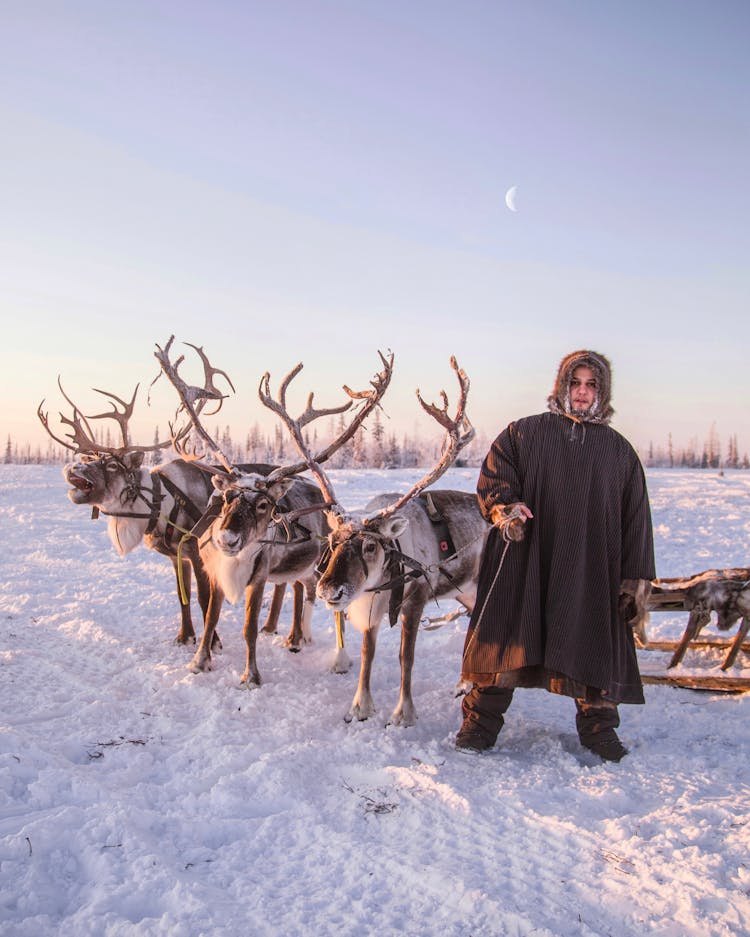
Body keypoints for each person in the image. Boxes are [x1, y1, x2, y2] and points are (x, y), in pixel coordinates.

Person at [456, 350, 655, 762]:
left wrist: (635, 580)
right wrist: (506, 509)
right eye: (575, 383)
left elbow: (637, 519)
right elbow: (494, 479)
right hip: (527, 560)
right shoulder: (523, 434)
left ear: (602, 392)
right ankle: (479, 726)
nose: (581, 393)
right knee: (506, 640)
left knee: (593, 641)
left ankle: (600, 733)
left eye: (591, 385)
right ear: (561, 386)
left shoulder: (619, 452)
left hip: (590, 567)